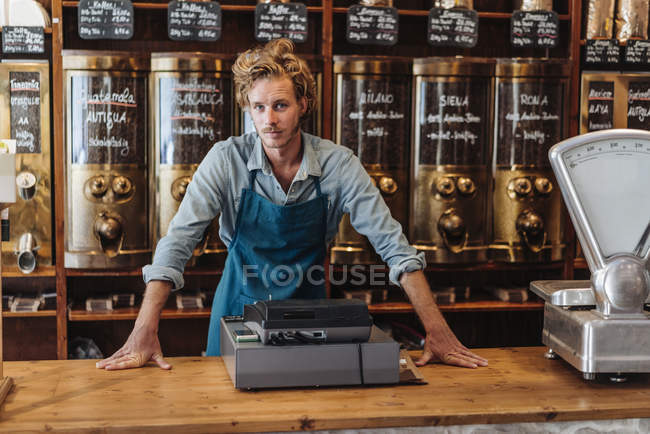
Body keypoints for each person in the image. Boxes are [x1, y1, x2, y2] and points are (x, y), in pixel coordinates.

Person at [96, 39, 488, 371]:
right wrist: (144, 329)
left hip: (308, 316)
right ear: (248, 108)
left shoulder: (339, 165)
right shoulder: (225, 159)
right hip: (236, 311)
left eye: (280, 105)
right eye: (258, 107)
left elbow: (395, 248)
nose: (268, 120)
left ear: (303, 102)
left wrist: (438, 332)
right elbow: (177, 242)